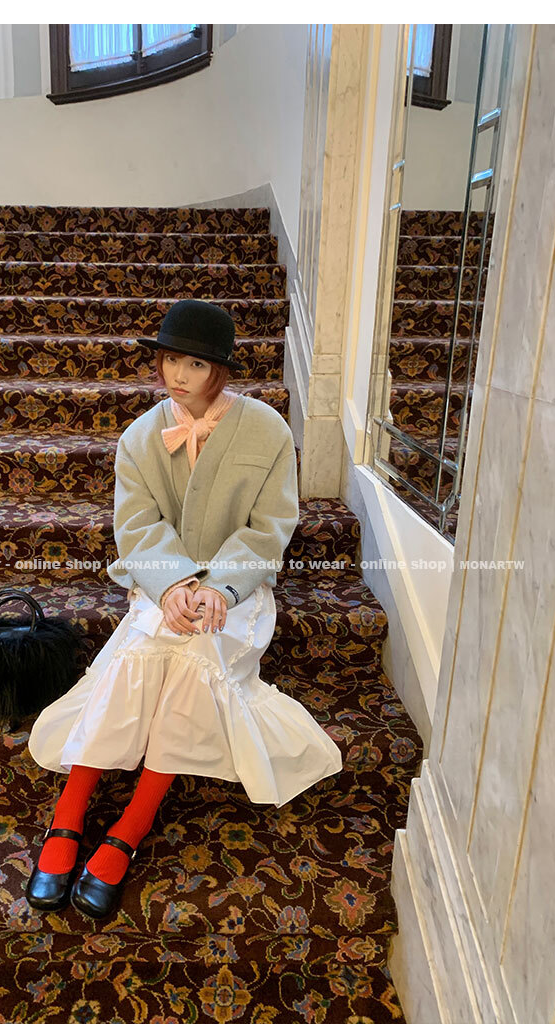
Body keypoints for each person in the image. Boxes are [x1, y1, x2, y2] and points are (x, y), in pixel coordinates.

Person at [25, 299, 342, 919]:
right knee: (140, 653)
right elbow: (137, 526)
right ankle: (69, 815)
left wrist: (219, 589)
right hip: (160, 585)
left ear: (219, 369)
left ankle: (131, 825)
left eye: (194, 364)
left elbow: (269, 527)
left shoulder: (268, 431)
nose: (177, 374)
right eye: (171, 359)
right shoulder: (140, 437)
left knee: (198, 655)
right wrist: (171, 586)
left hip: (235, 590)